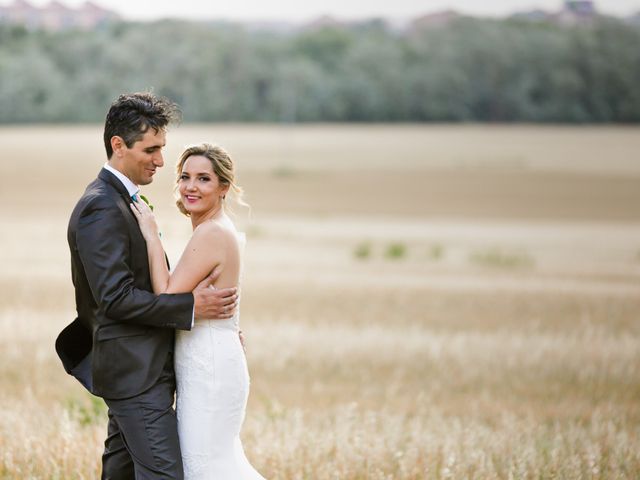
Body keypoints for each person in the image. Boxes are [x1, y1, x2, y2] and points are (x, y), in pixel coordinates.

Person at [55, 92, 239, 479]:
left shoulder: (121, 200)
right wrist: (192, 308)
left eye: (162, 149)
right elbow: (115, 299)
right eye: (152, 149)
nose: (160, 161)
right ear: (118, 145)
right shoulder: (102, 206)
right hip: (135, 375)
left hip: (140, 368)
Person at [129, 143, 265, 479]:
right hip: (209, 357)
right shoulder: (216, 228)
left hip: (210, 368)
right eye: (185, 177)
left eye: (204, 179)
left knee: (203, 466)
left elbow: (165, 298)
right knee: (215, 461)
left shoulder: (212, 232)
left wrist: (151, 236)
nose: (191, 186)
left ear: (223, 188)